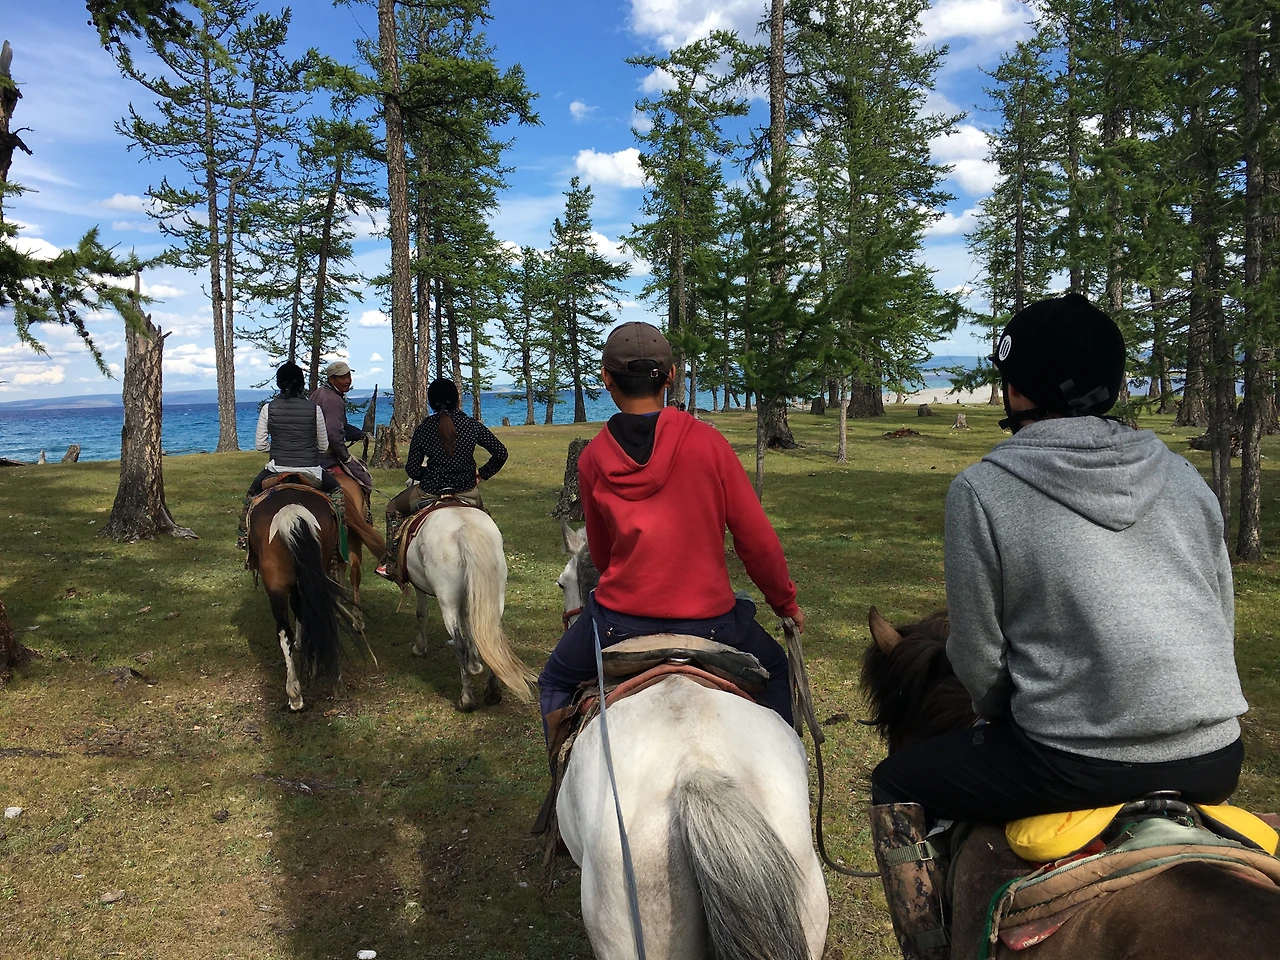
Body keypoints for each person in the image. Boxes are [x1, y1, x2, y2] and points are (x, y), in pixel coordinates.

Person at [867, 293, 1248, 959]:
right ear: (1116, 384)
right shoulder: (1186, 478)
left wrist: (998, 718)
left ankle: (927, 949)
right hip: (1216, 755)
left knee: (895, 781)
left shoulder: (983, 490)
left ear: (1016, 391)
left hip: (1072, 764)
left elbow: (978, 657)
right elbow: (1222, 612)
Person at [538, 321, 803, 748]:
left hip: (618, 625)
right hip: (715, 624)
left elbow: (601, 557)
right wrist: (785, 603)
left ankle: (558, 780)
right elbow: (756, 540)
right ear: (671, 375)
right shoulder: (709, 444)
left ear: (606, 378)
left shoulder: (592, 459)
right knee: (776, 672)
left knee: (554, 680)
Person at [375, 378, 508, 581]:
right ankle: (495, 560)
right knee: (487, 521)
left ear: (431, 402)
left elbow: (412, 469)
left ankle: (392, 564)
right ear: (456, 399)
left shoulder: (424, 428)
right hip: (466, 490)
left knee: (393, 509)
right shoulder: (471, 424)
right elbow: (501, 452)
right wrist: (482, 473)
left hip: (430, 491)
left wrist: (429, 473)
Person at [236, 361, 341, 550]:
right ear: (301, 383)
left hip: (276, 469)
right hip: (311, 471)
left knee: (251, 496)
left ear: (279, 383)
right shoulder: (314, 409)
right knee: (337, 493)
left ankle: (244, 537)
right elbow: (323, 446)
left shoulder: (268, 408)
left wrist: (278, 448)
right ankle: (339, 540)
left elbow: (260, 445)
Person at [312, 360, 373, 495]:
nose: (348, 381)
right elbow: (333, 434)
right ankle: (364, 508)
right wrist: (346, 457)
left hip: (310, 453)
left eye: (348, 376)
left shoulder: (319, 392)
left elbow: (332, 424)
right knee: (365, 480)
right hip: (326, 456)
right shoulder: (334, 400)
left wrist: (356, 433)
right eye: (342, 377)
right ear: (332, 379)